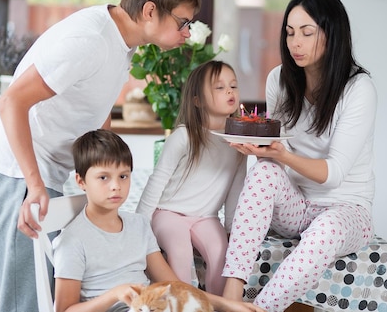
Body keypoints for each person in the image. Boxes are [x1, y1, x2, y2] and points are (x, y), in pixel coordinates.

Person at [0, 0, 202, 312]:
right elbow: (10, 102)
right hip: (17, 175)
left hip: (43, 175)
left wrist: (104, 173)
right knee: (26, 302)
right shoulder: (91, 40)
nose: (187, 33)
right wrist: (34, 186)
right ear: (150, 11)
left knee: (47, 298)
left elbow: (96, 111)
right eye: (183, 22)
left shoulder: (120, 43)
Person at [221, 0, 377, 312]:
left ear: (332, 34)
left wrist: (280, 154)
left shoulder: (358, 88)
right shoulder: (279, 79)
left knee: (327, 229)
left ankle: (261, 310)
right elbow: (278, 157)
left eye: (307, 32)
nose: (295, 42)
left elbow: (333, 175)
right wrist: (260, 150)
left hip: (346, 209)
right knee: (263, 171)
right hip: (297, 206)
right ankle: (231, 299)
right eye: (290, 32)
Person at [53, 129, 265, 312]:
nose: (115, 186)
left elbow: (174, 285)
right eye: (103, 177)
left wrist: (226, 304)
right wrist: (115, 294)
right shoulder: (72, 240)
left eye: (123, 176)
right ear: (81, 181)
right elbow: (64, 310)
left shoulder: (139, 225)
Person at [136, 60, 247, 296]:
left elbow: (235, 191)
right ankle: (180, 304)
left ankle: (217, 305)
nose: (229, 91)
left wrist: (230, 229)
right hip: (168, 213)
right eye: (219, 87)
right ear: (197, 100)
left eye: (233, 86)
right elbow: (157, 181)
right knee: (180, 250)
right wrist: (139, 226)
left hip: (206, 217)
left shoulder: (238, 143)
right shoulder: (184, 136)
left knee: (221, 252)